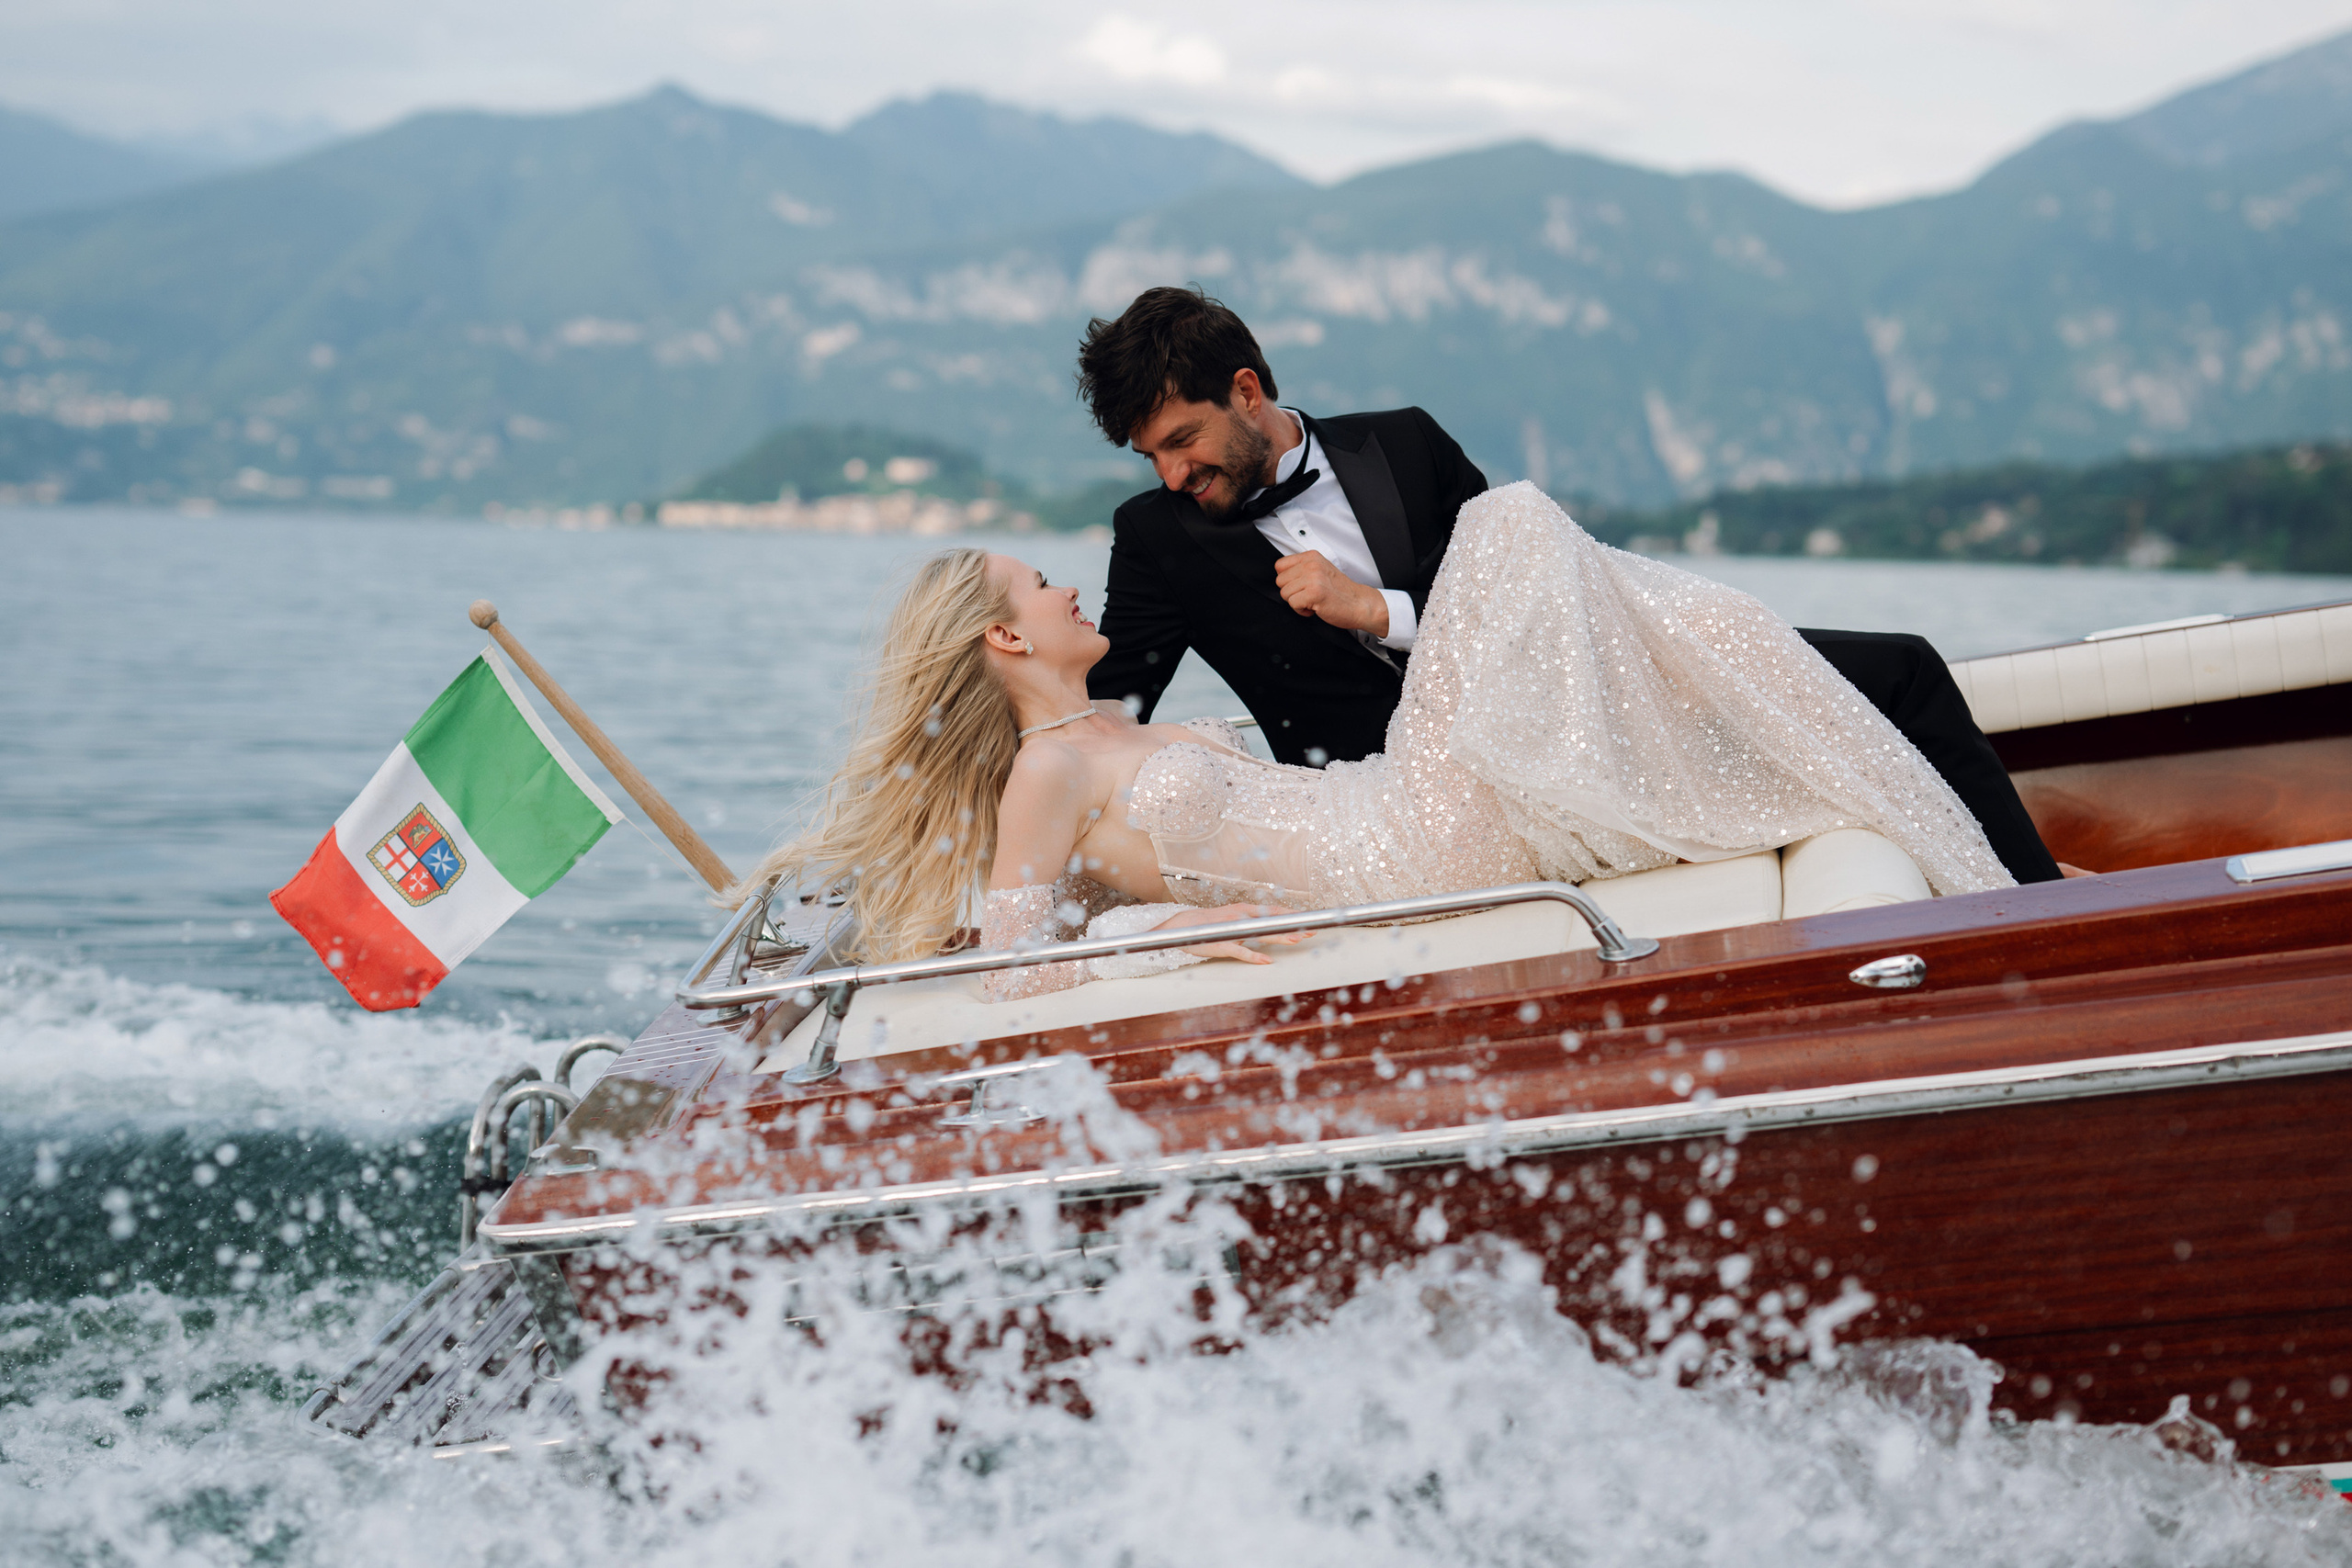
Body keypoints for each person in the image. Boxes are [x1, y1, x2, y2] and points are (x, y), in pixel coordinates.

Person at [739, 503, 2012, 1001]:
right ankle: (1992, 887)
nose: (1069, 588)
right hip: (1406, 851)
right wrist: (1164, 932)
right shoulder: (1047, 771)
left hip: (1395, 802)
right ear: (1006, 636)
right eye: (1040, 584)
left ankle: (1960, 861)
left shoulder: (1105, 733)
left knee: (1649, 609)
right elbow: (1015, 971)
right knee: (1506, 527)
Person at [1075, 286, 2064, 886]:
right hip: (1430, 804)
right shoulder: (1157, 538)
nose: (1172, 473)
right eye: (1149, 455)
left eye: (1182, 440)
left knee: (1903, 672)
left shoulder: (1405, 444)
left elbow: (1530, 594)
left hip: (1577, 708)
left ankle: (2043, 913)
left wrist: (1379, 613)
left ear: (1247, 391)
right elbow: (1101, 710)